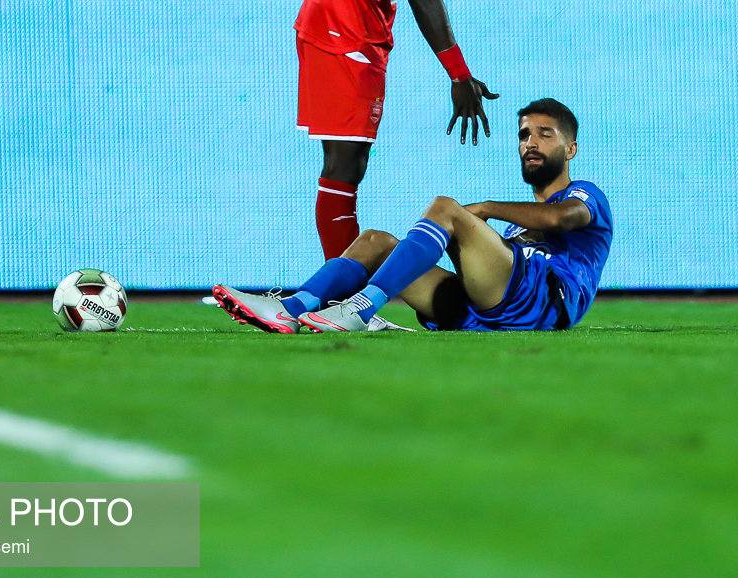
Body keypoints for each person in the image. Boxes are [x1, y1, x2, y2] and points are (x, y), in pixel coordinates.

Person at [215, 98, 612, 333]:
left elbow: (561, 219)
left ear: (571, 149)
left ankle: (360, 308)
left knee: (445, 207)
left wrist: (484, 209)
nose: (530, 142)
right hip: (487, 309)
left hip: (543, 304)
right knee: (376, 242)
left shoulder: (585, 194)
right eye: (524, 134)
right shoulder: (514, 227)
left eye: (545, 134)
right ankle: (292, 308)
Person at [295, 0, 499, 259]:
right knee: (345, 165)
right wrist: (459, 74)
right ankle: (340, 279)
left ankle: (342, 275)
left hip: (351, 29)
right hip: (346, 30)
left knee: (348, 165)